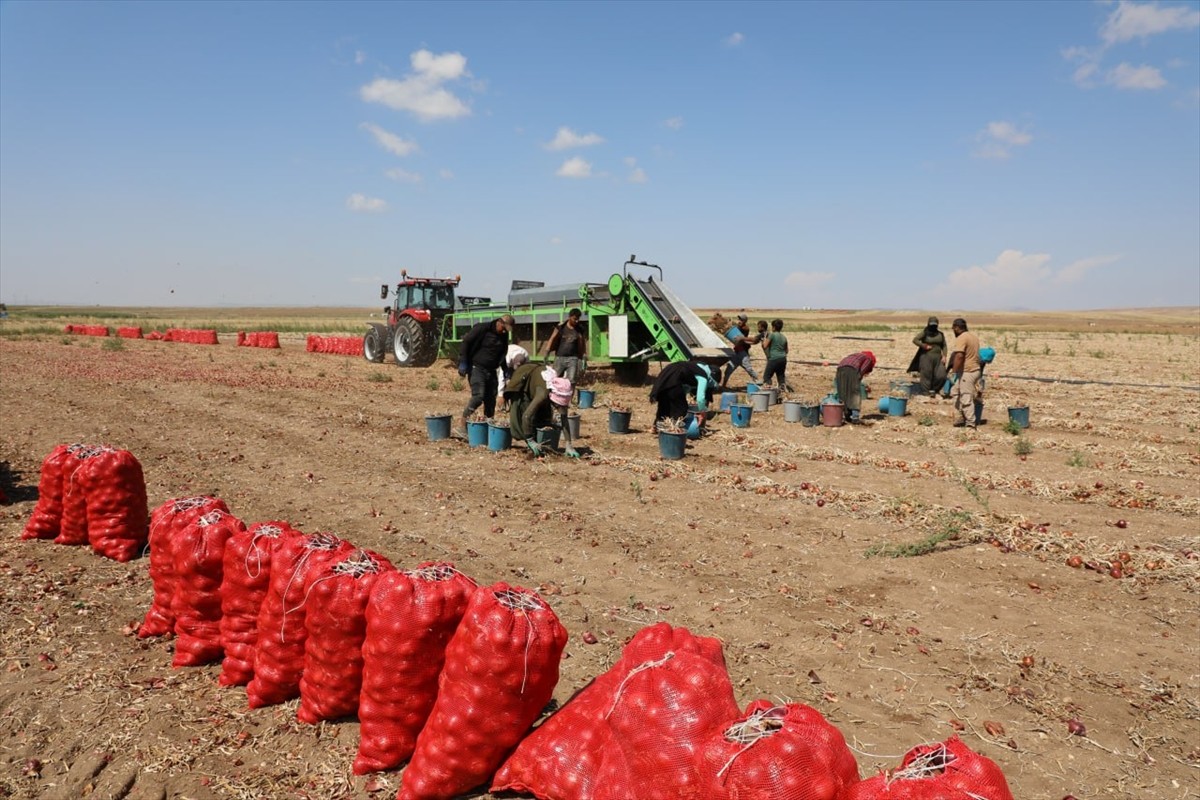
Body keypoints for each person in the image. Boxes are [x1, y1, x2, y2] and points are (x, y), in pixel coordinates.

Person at [455, 314, 514, 437]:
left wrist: (505, 369)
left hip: (491, 371)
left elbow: (501, 354)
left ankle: (488, 428)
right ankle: (462, 425)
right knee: (478, 396)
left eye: (506, 330)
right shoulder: (482, 329)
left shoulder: (503, 335)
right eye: (503, 328)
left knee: (490, 401)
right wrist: (463, 362)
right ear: (499, 322)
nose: (504, 332)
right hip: (477, 368)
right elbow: (466, 342)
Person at [505, 364, 579, 457]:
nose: (559, 407)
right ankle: (530, 443)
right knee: (523, 416)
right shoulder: (543, 394)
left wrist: (569, 444)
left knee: (544, 419)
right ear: (553, 398)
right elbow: (526, 416)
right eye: (558, 405)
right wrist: (530, 440)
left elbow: (564, 419)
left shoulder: (561, 391)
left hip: (538, 383)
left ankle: (538, 441)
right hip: (524, 381)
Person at [649, 360, 716, 429]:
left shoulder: (692, 367)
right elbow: (700, 398)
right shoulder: (703, 376)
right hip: (673, 379)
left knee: (665, 406)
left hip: (665, 376)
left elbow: (683, 390)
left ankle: (656, 427)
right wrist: (703, 412)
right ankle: (674, 431)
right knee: (681, 409)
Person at [948, 318, 982, 429]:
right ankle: (960, 417)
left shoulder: (962, 338)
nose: (953, 330)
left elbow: (959, 356)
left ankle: (971, 424)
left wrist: (954, 371)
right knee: (955, 392)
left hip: (968, 372)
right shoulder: (973, 337)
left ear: (957, 328)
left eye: (953, 328)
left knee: (966, 398)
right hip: (975, 370)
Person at [543, 308, 587, 385]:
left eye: (578, 319)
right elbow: (552, 338)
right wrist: (547, 353)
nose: (577, 321)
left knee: (571, 381)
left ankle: (569, 396)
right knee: (555, 379)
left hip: (573, 359)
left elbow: (582, 344)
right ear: (569, 317)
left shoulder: (580, 329)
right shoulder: (561, 327)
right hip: (560, 358)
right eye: (575, 319)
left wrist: (584, 357)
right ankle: (554, 396)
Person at [908, 316, 948, 396]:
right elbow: (915, 340)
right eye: (931, 325)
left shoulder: (940, 334)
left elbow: (944, 345)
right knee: (926, 375)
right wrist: (924, 346)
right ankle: (925, 393)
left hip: (938, 358)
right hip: (926, 357)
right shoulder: (924, 333)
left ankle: (934, 389)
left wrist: (944, 356)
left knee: (942, 375)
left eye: (935, 325)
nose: (933, 326)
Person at [721, 313, 761, 388]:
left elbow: (742, 330)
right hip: (736, 352)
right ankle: (723, 385)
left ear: (745, 321)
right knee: (729, 369)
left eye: (741, 320)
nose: (739, 321)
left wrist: (733, 325)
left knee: (749, 369)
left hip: (743, 353)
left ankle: (759, 383)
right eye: (739, 319)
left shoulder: (745, 328)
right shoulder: (737, 327)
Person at [835, 351, 876, 424]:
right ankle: (855, 417)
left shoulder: (855, 355)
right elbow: (861, 372)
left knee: (843, 392)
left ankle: (846, 415)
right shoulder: (869, 359)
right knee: (854, 392)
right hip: (852, 369)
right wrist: (858, 381)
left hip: (840, 369)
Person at [760, 319, 792, 392]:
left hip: (773, 359)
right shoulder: (784, 337)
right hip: (783, 359)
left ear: (773, 327)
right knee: (781, 377)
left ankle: (769, 393)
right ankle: (783, 393)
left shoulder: (772, 335)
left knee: (767, 377)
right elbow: (786, 351)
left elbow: (765, 346)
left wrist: (763, 339)